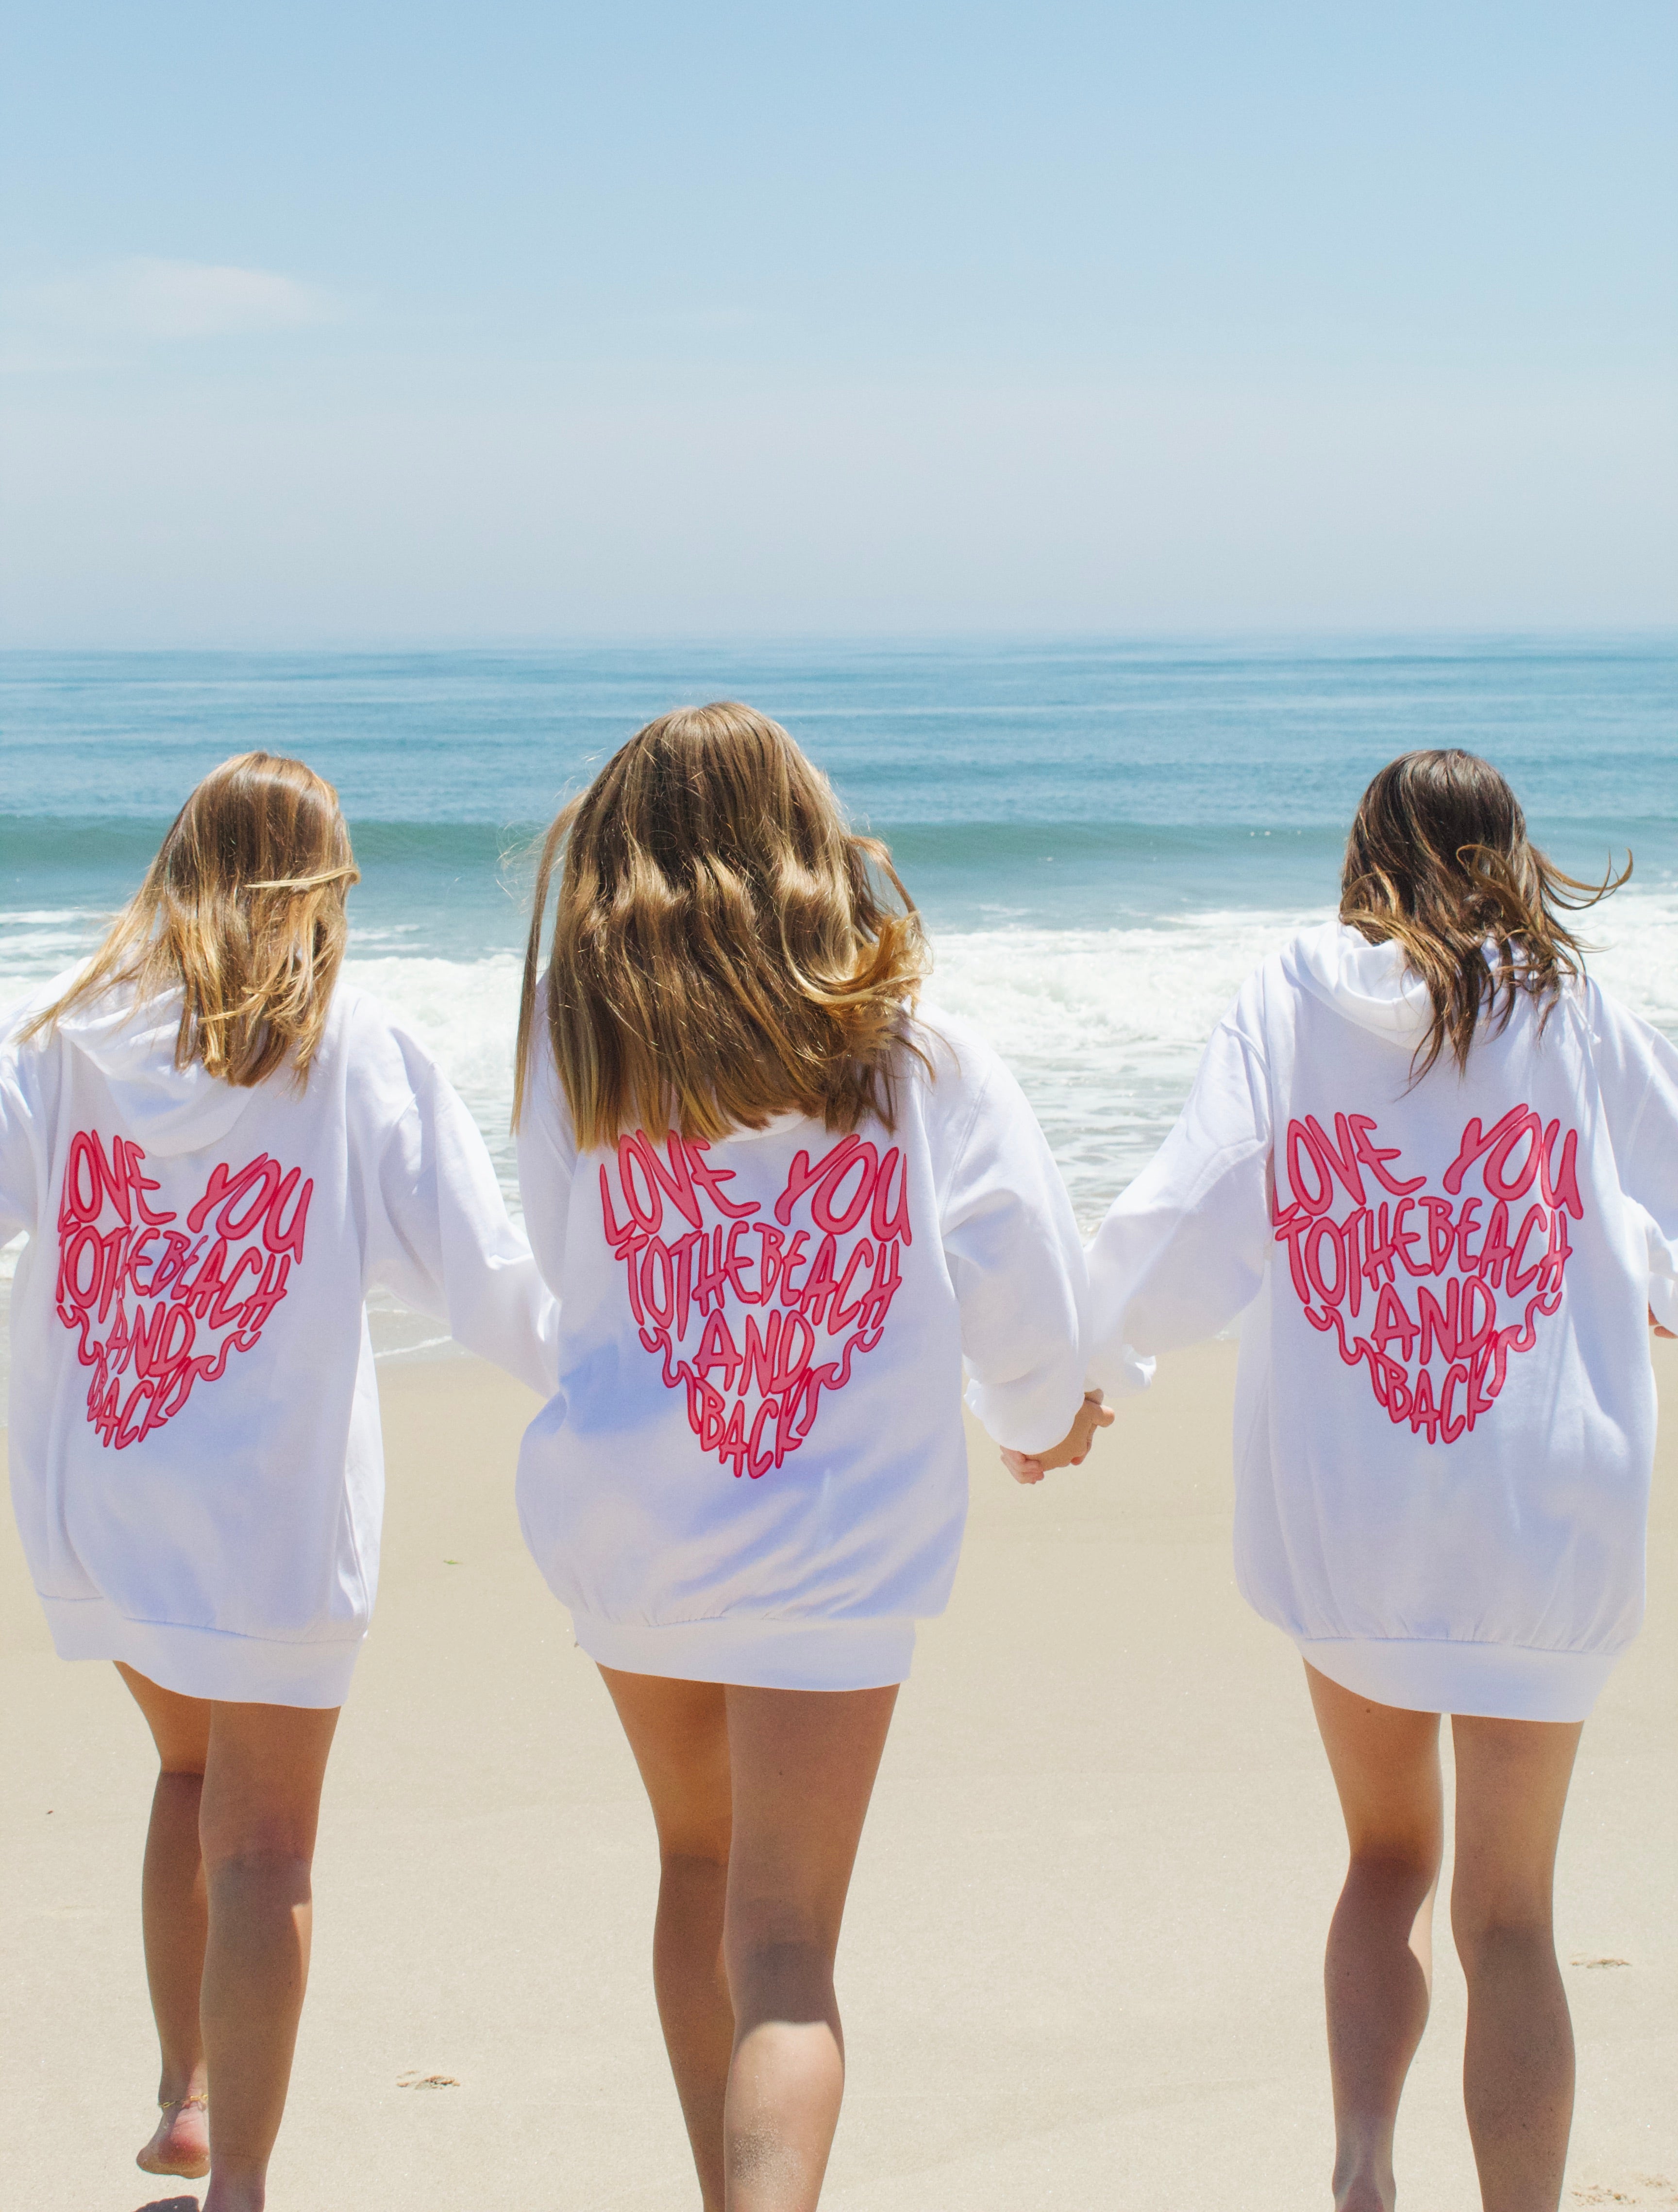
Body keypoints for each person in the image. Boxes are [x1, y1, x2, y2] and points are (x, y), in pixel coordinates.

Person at [511, 700, 1107, 2212]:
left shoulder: (582, 1046)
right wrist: (1040, 1419)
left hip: (635, 1521)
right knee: (785, 1945)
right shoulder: (914, 1051)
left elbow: (559, 1261)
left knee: (695, 1867)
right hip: (839, 1539)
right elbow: (1021, 1275)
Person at [1067, 748, 1678, 2212]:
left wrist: (1086, 1371)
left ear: (1364, 859)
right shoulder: (1574, 1007)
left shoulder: (1290, 994)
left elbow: (1197, 1202)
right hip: (1548, 1506)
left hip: (1358, 1501)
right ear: (1512, 858)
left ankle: (1361, 2171)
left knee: (1388, 1859)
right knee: (1513, 1917)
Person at [0, 751, 556, 2212]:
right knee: (264, 1841)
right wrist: (624, 1382)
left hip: (107, 1495)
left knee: (189, 1776)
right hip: (280, 1514)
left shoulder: (62, 1037)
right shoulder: (352, 1046)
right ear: (322, 892)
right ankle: (239, 2184)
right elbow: (483, 1274)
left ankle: (188, 2096)